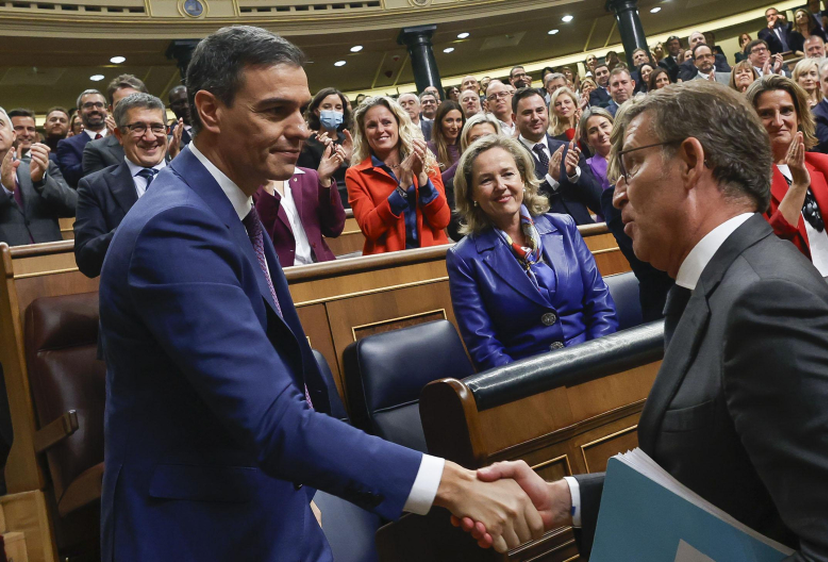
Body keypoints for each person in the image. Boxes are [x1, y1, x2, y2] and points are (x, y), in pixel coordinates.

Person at [100, 26, 542, 562]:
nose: (300, 130)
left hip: (266, 498)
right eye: (274, 111)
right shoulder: (176, 227)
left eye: (303, 110)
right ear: (210, 110)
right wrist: (452, 485)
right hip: (204, 528)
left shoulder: (225, 205)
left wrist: (304, 487)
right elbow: (271, 419)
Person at [459, 80, 828, 561]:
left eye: (632, 165)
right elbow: (720, 475)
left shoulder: (768, 304)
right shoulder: (714, 284)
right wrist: (568, 500)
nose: (617, 196)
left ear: (691, 161)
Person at [446, 134, 617, 371]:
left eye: (507, 174)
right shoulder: (464, 258)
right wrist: (532, 389)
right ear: (472, 194)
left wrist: (596, 363)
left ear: (523, 178)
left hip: (595, 365)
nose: (500, 186)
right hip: (529, 385)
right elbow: (485, 347)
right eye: (486, 180)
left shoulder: (563, 226)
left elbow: (600, 304)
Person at [748, 75, 828, 275]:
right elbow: (768, 249)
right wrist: (798, 187)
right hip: (795, 291)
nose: (778, 121)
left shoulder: (822, 164)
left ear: (799, 116)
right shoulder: (745, 179)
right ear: (751, 121)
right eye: (766, 114)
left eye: (786, 110)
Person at [74, 93, 170, 278]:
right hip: (132, 299)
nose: (150, 137)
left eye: (157, 127)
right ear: (119, 135)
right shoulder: (95, 186)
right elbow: (87, 261)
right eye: (138, 128)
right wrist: (138, 225)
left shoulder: (191, 179)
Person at [345, 96, 450, 255]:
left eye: (386, 122)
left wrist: (421, 176)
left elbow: (442, 220)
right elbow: (370, 229)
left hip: (432, 256)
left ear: (399, 124)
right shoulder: (356, 174)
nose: (380, 130)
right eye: (372, 125)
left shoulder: (426, 162)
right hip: (388, 264)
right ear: (364, 133)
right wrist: (402, 188)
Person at [513, 88, 603, 226]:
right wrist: (550, 181)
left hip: (586, 232)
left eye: (539, 110)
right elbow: (519, 204)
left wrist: (575, 175)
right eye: (527, 113)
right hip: (545, 237)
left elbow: (598, 201)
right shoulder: (511, 157)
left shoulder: (568, 148)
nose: (535, 117)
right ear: (515, 118)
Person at [0, 107, 76, 246]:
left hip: (52, 259)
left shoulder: (41, 165)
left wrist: (42, 182)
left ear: (13, 135)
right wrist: (4, 189)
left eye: (0, 124)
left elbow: (73, 205)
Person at [83, 74, 147, 178]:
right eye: (121, 104)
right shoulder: (96, 149)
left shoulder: (168, 143)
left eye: (136, 102)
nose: (128, 109)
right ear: (111, 109)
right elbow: (99, 190)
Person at [57, 88, 108, 187]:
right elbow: (71, 176)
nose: (94, 109)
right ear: (79, 113)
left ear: (106, 110)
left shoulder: (120, 138)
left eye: (99, 105)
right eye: (88, 106)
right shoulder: (67, 144)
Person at [578, 106, 614, 191]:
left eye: (604, 126)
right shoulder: (587, 167)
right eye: (593, 131)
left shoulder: (630, 154)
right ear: (587, 140)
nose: (601, 133)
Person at [428, 100, 464, 184]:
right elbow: (433, 183)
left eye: (458, 120)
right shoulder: (429, 149)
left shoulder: (466, 145)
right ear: (439, 123)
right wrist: (459, 164)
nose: (455, 126)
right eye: (449, 121)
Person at [167, 85, 193, 150]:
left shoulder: (210, 126)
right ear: (171, 108)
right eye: (179, 103)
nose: (185, 106)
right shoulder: (170, 135)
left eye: (188, 101)